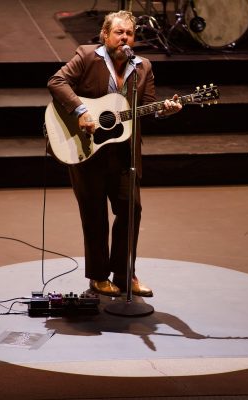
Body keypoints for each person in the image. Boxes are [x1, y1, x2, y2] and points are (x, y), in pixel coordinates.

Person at [47, 10, 182, 297]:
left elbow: (147, 106)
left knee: (132, 211)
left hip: (124, 153)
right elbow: (56, 82)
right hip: (88, 150)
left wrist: (164, 111)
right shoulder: (87, 56)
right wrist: (81, 111)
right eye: (119, 32)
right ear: (105, 35)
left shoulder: (142, 67)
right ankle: (98, 277)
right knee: (94, 215)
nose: (124, 38)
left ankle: (125, 274)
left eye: (129, 34)